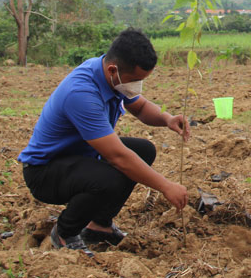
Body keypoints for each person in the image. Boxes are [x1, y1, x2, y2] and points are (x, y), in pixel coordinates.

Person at [17, 28, 189, 256]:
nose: (137, 86)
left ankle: (99, 225)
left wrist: (167, 118)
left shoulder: (111, 77)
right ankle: (65, 233)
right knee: (112, 175)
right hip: (46, 171)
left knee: (143, 150)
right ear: (112, 70)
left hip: (80, 157)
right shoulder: (81, 93)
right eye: (135, 80)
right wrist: (166, 187)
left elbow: (141, 107)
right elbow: (117, 157)